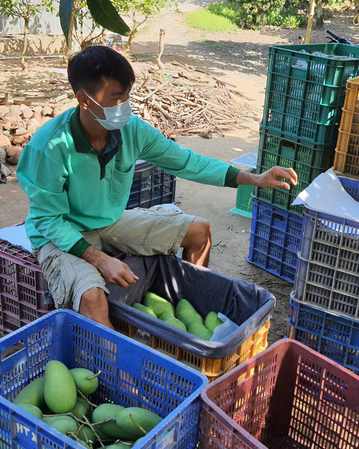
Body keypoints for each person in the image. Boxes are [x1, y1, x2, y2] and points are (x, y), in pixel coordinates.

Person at [17, 45, 298, 330]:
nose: (124, 106)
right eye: (116, 98)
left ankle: (189, 312)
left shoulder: (131, 129)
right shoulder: (49, 148)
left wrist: (255, 178)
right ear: (84, 100)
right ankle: (119, 369)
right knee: (92, 298)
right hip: (61, 234)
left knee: (200, 231)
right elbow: (47, 219)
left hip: (109, 221)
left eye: (126, 97)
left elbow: (188, 162)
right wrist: (99, 259)